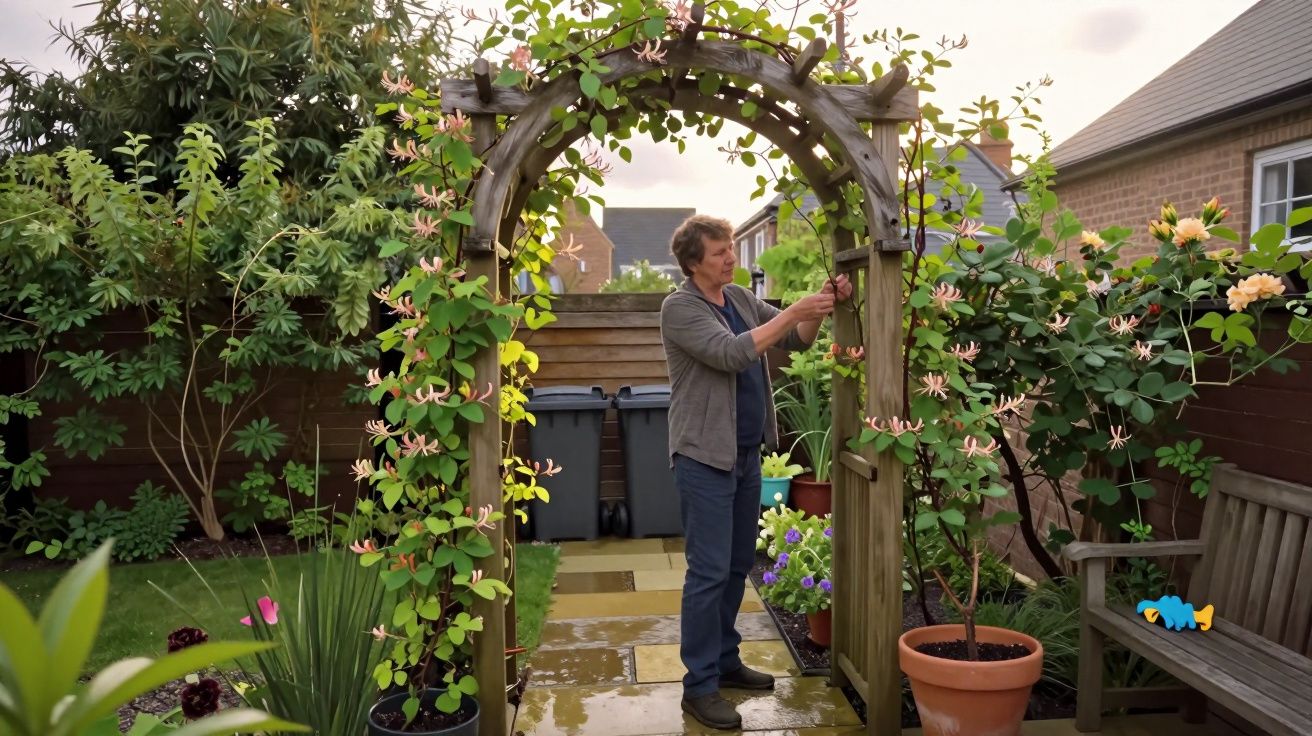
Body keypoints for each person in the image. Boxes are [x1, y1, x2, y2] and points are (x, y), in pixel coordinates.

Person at [659, 214, 851, 730]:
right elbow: (729, 353)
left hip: (745, 457)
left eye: (731, 249)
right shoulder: (679, 308)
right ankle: (698, 686)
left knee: (737, 562)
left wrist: (819, 301)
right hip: (703, 457)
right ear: (694, 261)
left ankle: (725, 660)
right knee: (706, 572)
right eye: (721, 252)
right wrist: (792, 313)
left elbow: (799, 340)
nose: (731, 258)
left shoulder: (740, 300)